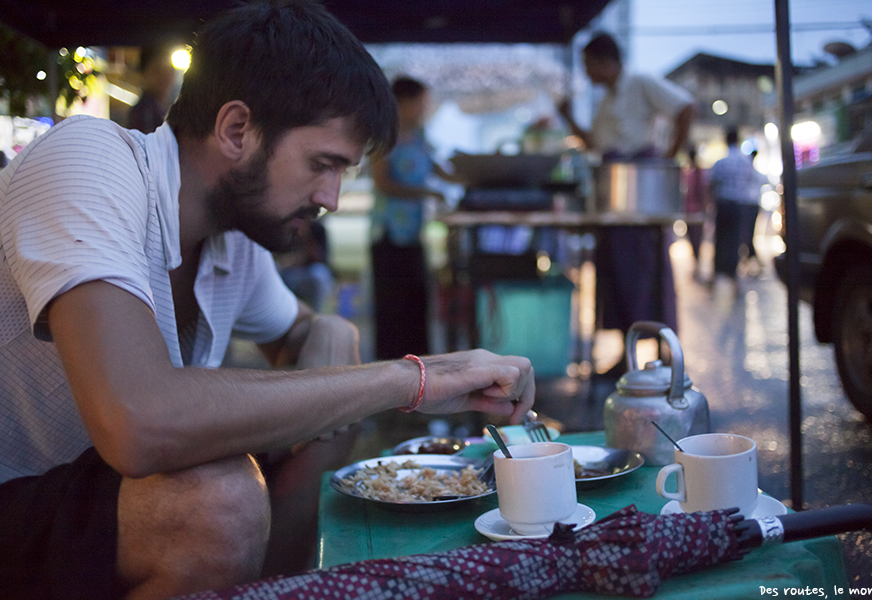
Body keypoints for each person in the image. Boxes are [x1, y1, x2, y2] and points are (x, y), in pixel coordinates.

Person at [0, 4, 535, 600]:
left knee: (330, 347)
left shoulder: (232, 241)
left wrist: (333, 335)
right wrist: (409, 380)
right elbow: (138, 422)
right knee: (214, 500)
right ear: (237, 130)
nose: (330, 197)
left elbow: (305, 338)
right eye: (322, 164)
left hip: (79, 509)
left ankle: (275, 589)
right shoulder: (88, 159)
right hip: (16, 499)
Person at [557, 32, 694, 373]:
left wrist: (667, 157)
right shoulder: (606, 101)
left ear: (606, 62)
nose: (587, 74)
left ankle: (665, 353)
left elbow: (685, 108)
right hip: (613, 201)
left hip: (642, 196)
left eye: (589, 66)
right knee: (616, 275)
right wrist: (569, 119)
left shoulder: (642, 82)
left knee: (648, 275)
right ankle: (627, 355)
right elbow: (595, 144)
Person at [370, 76, 459, 360]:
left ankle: (417, 367)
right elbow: (382, 183)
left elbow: (440, 169)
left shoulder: (420, 137)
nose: (424, 108)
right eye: (420, 102)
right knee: (392, 303)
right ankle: (389, 367)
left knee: (417, 299)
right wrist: (424, 193)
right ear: (403, 102)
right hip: (388, 233)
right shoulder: (384, 137)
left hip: (413, 233)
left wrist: (479, 171)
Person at [708, 127, 762, 293]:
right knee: (735, 240)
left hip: (723, 204)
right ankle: (733, 277)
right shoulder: (745, 161)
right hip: (739, 206)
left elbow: (711, 184)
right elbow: (750, 182)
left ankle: (716, 275)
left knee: (719, 239)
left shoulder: (721, 162)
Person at [276, 219, 335, 313]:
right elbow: (280, 259)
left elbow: (321, 259)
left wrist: (305, 236)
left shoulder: (316, 229)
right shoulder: (283, 227)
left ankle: (317, 315)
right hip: (288, 276)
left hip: (308, 275)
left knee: (319, 273)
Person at [127, 43, 178, 134]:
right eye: (157, 70)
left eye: (169, 69)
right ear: (143, 73)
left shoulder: (165, 107)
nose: (165, 76)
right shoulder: (144, 111)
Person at [682, 147, 711, 280]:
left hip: (694, 211)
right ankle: (696, 264)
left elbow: (702, 192)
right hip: (691, 211)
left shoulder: (694, 173)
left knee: (696, 239)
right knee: (693, 239)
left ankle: (697, 265)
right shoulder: (691, 172)